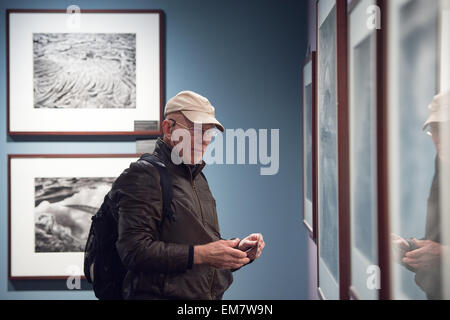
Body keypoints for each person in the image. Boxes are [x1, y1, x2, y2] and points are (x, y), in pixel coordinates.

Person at [111, 90, 265, 300]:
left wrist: (236, 251)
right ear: (168, 128)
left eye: (208, 132)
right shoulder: (144, 175)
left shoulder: (198, 178)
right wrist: (205, 254)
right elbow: (134, 251)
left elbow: (201, 250)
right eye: (194, 130)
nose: (204, 141)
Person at [392, 90, 450, 299]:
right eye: (434, 129)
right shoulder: (442, 164)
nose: (438, 138)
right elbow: (437, 239)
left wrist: (443, 255)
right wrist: (409, 248)